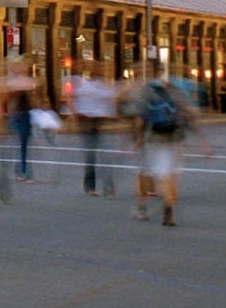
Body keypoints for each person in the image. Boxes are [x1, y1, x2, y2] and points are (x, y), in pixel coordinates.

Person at [127, 68, 208, 227]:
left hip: (154, 139)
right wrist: (203, 143)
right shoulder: (178, 93)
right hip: (175, 138)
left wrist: (138, 139)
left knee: (150, 173)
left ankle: (144, 206)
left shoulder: (149, 92)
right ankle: (168, 208)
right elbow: (191, 116)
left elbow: (140, 120)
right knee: (170, 175)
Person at [70, 65, 119, 196]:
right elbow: (70, 97)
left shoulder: (97, 85)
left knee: (95, 156)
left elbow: (112, 99)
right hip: (90, 121)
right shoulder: (86, 85)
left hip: (95, 121)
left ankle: (97, 188)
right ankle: (102, 188)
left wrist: (75, 114)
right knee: (96, 156)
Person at [1, 57, 36, 181]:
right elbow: (5, 99)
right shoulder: (12, 82)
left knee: (23, 145)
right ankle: (21, 172)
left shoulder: (27, 81)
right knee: (19, 145)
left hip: (24, 114)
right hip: (16, 114)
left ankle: (24, 172)